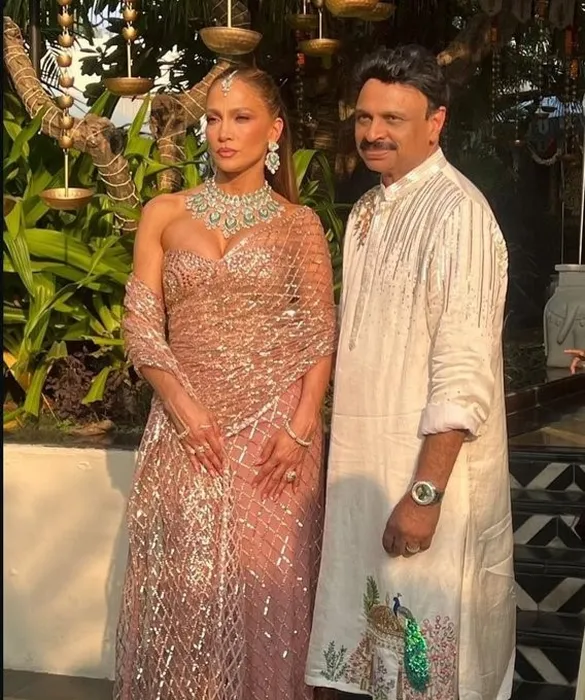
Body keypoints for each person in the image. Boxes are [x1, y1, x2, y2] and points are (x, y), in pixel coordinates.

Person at [115, 66, 337, 700]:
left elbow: (319, 334)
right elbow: (141, 325)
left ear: (275, 130)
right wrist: (183, 407)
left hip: (276, 438)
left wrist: (301, 427)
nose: (223, 132)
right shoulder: (164, 212)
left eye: (241, 118)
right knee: (185, 593)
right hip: (186, 435)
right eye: (214, 118)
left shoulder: (298, 224)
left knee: (271, 595)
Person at [305, 45, 515, 700]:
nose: (373, 132)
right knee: (376, 665)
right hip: (368, 474)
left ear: (435, 122)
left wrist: (425, 495)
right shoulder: (368, 211)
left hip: (429, 483)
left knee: (430, 670)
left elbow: (463, 368)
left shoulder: (458, 214)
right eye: (365, 117)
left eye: (393, 119)